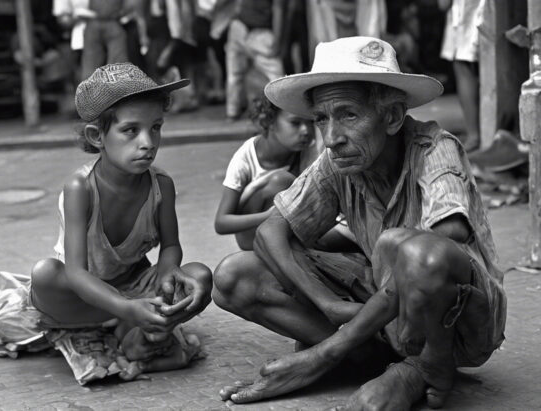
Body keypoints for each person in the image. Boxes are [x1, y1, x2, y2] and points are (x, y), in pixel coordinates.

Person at [212, 36, 507, 409]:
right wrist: (327, 303)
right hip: (384, 307)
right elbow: (270, 231)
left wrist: (325, 352)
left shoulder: (435, 149)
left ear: (392, 117)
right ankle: (370, 355)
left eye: (348, 114)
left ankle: (425, 365)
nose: (331, 138)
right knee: (233, 277)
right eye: (322, 118)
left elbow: (437, 256)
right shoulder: (339, 161)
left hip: (457, 320)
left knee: (409, 250)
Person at [29, 63, 213, 370]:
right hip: (84, 296)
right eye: (131, 130)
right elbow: (75, 273)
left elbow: (171, 246)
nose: (148, 142)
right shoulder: (80, 188)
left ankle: (139, 336)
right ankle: (136, 327)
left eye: (156, 127)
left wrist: (168, 271)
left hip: (135, 286)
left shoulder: (161, 185)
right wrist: (125, 307)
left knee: (201, 277)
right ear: (96, 136)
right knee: (45, 274)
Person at [215, 96, 315, 250]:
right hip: (253, 236)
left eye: (311, 122)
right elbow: (221, 223)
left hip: (293, 228)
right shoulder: (245, 157)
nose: (306, 131)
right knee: (281, 180)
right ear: (269, 122)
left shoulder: (309, 151)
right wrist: (270, 215)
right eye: (295, 123)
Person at [224, 0, 286, 121]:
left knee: (276, 75)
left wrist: (278, 39)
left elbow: (279, 10)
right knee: (275, 74)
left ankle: (232, 112)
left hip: (255, 29)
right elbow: (279, 10)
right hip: (244, 27)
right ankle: (232, 112)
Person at [439, 0, 484, 152]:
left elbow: (443, 4)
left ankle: (474, 135)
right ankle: (482, 131)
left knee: (463, 67)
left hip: (468, 12)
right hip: (483, 10)